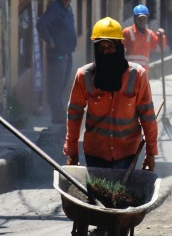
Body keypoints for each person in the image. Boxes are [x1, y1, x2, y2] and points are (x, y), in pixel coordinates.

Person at [64, 17, 158, 172]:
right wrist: (72, 152)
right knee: (98, 193)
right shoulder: (84, 76)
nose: (106, 52)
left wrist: (151, 153)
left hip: (127, 153)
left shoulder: (137, 75)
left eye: (110, 47)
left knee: (120, 194)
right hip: (95, 152)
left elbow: (148, 116)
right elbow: (74, 114)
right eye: (101, 47)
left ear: (119, 47)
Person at [37, 0, 77, 124]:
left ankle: (59, 114)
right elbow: (42, 24)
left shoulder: (67, 9)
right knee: (56, 85)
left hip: (67, 53)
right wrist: (50, 40)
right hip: (58, 54)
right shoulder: (55, 9)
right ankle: (57, 116)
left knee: (63, 84)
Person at [122, 4, 166, 71]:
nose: (142, 21)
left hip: (144, 72)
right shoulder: (127, 32)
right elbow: (119, 50)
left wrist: (161, 37)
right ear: (135, 19)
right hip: (130, 71)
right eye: (139, 19)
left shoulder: (149, 34)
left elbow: (159, 49)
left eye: (144, 19)